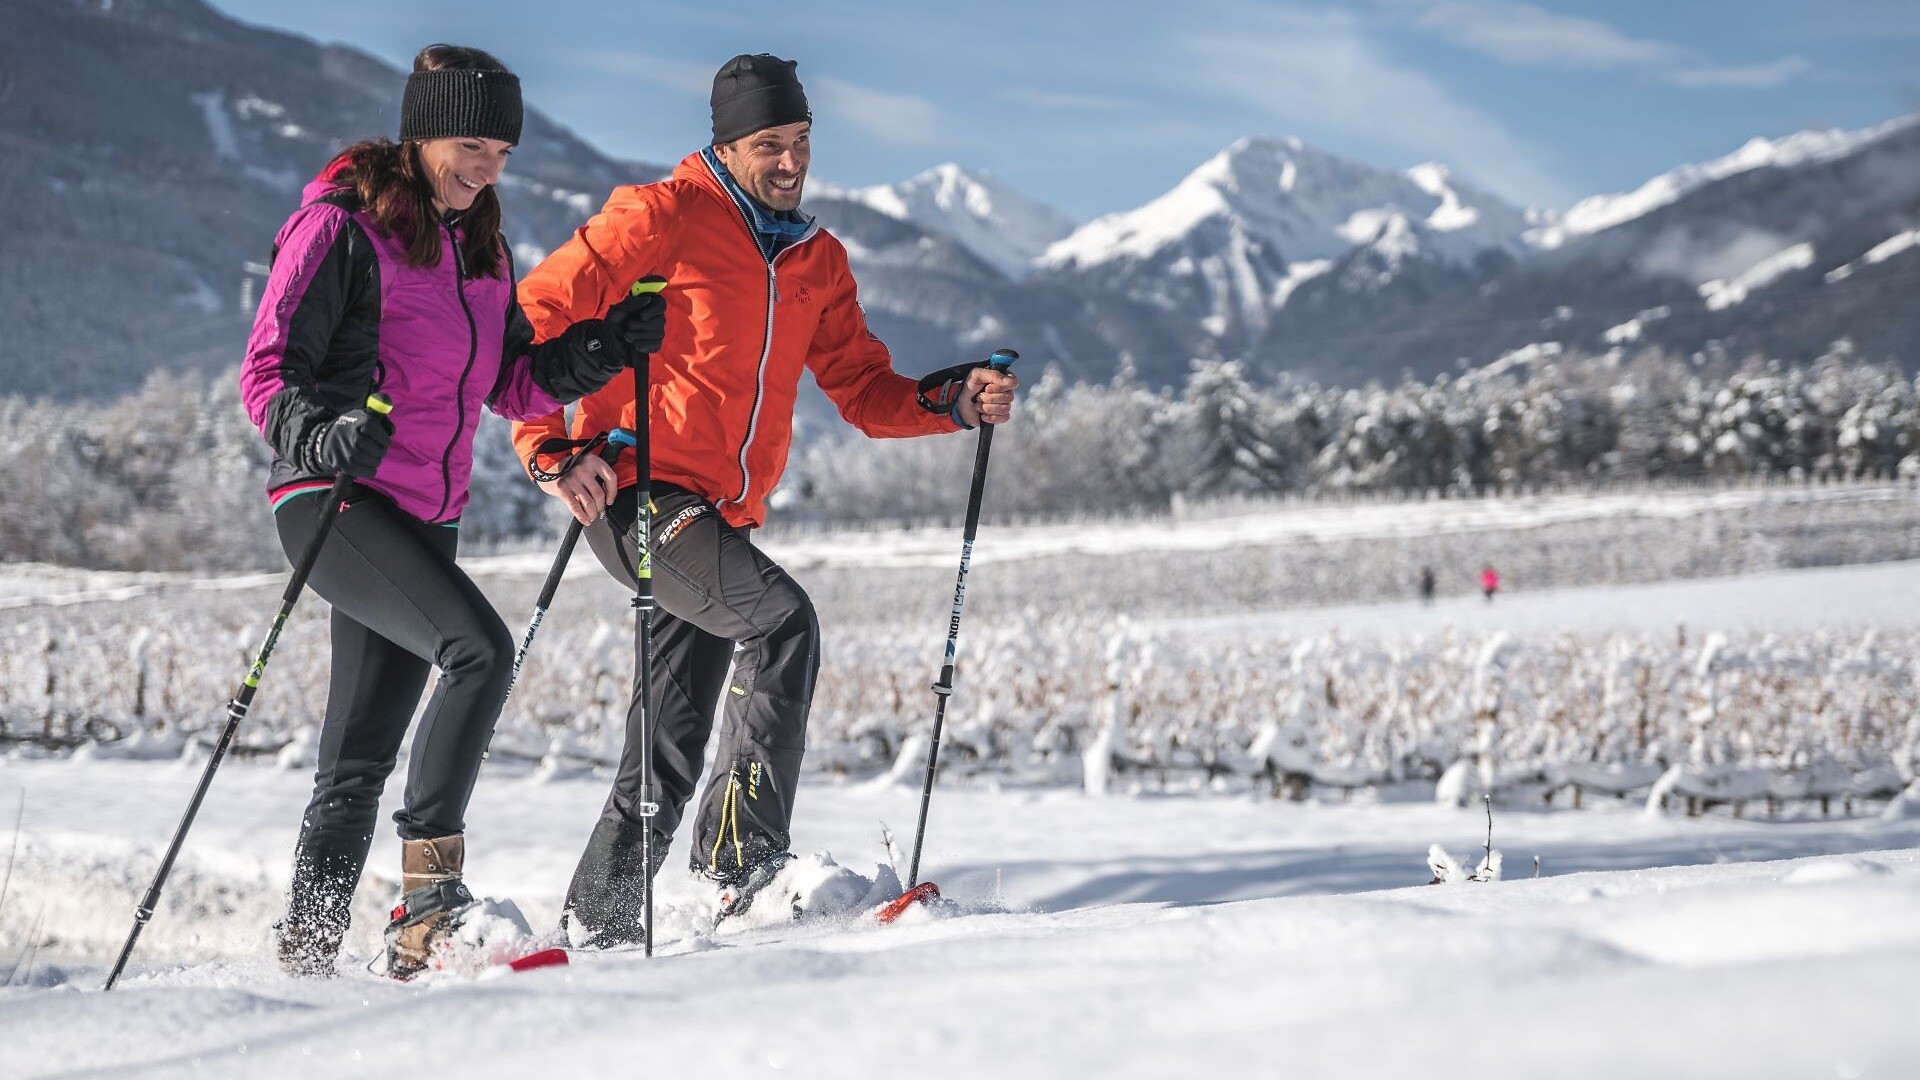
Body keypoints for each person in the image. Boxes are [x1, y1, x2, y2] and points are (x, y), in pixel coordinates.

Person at [509, 53, 1020, 947]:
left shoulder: (817, 259)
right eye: (769, 144)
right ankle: (743, 870)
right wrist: (546, 447)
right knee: (782, 622)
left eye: (802, 143)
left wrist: (949, 400)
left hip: (718, 517)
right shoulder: (662, 218)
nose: (790, 162)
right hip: (636, 493)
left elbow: (863, 390)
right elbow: (537, 318)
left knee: (666, 744)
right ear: (726, 142)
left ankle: (595, 930)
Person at [238, 44, 666, 978]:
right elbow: (268, 371)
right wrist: (318, 434)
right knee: (478, 649)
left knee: (357, 759)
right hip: (335, 496)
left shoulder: (481, 247)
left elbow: (514, 383)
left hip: (423, 514)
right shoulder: (341, 229)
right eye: (472, 142)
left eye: (502, 151)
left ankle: (305, 958)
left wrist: (599, 346)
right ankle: (429, 904)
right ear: (423, 133)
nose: (488, 166)